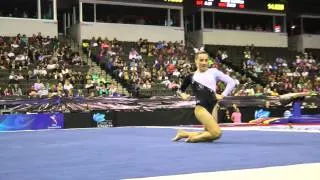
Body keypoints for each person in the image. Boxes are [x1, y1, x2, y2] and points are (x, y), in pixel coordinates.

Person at [172, 48, 237, 143]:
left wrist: (223, 94)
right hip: (201, 108)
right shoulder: (191, 76)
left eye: (206, 60)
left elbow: (231, 82)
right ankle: (193, 139)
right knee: (217, 133)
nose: (204, 62)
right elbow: (180, 90)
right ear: (196, 61)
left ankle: (183, 133)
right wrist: (183, 95)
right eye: (201, 60)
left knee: (209, 134)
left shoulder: (214, 72)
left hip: (213, 107)